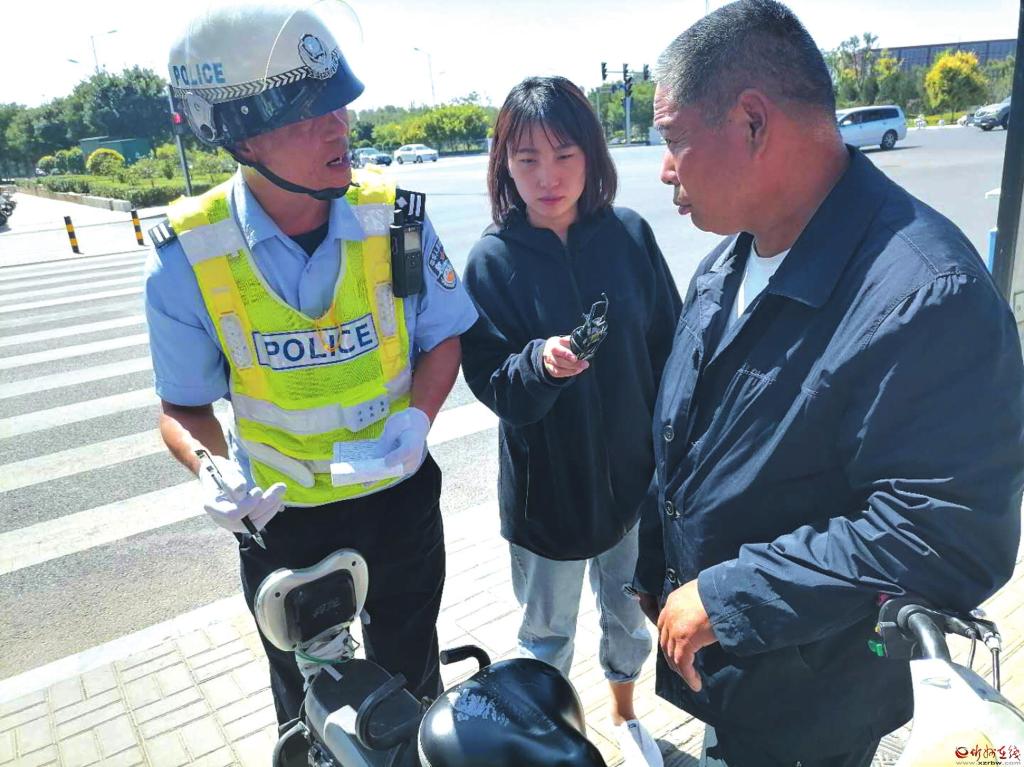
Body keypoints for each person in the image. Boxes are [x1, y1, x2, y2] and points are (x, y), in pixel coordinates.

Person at [635, 2, 1024, 766]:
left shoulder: (924, 292)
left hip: (813, 696)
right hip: (731, 665)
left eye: (675, 140)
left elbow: (947, 531)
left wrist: (727, 596)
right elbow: (690, 437)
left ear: (753, 122)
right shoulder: (728, 261)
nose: (665, 169)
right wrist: (660, 567)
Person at [145, 0, 477, 731]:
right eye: (307, 115)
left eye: (339, 105)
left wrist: (418, 421)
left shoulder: (395, 217)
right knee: (308, 710)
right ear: (240, 136)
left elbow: (443, 338)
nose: (339, 127)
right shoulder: (188, 255)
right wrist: (210, 468)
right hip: (282, 517)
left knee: (412, 683)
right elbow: (183, 405)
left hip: (397, 497)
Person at [460, 76, 682, 767]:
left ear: (591, 155)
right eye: (527, 159)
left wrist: (675, 456)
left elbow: (671, 348)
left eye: (564, 155)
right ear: (505, 165)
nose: (548, 178)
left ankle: (625, 713)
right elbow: (495, 383)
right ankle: (548, 741)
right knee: (545, 637)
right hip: (546, 497)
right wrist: (539, 363)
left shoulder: (629, 235)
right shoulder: (491, 259)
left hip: (632, 485)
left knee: (629, 614)